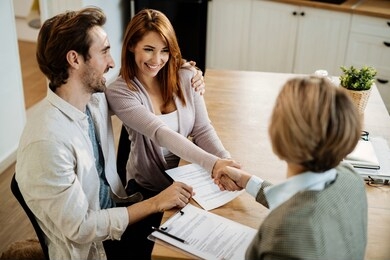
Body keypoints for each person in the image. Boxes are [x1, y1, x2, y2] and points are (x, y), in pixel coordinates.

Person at [15, 7, 195, 260]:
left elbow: (137, 92)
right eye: (104, 51)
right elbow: (81, 228)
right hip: (98, 247)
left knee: (190, 225)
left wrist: (185, 71)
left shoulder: (94, 99)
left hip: (120, 211)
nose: (112, 63)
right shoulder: (46, 142)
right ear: (75, 60)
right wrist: (155, 203)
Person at [214, 76, 368, 260]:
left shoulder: (288, 234)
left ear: (280, 136)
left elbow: (297, 214)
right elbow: (301, 199)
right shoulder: (350, 178)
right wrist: (248, 181)